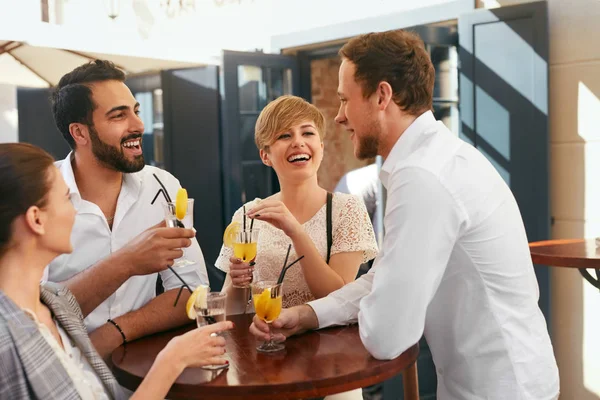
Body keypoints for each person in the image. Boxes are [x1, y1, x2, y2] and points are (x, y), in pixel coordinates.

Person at [250, 30, 560, 400]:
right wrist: (308, 314)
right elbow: (383, 278)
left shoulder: (422, 177)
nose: (339, 116)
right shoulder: (437, 159)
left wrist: (373, 310)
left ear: (382, 96)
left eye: (346, 100)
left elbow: (386, 336)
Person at [0, 143, 231, 400]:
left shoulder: (50, 304)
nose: (76, 210)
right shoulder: (6, 339)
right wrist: (170, 362)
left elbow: (192, 290)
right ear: (36, 219)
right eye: (66, 198)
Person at [45, 60, 209, 359]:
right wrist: (127, 261)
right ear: (80, 133)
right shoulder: (38, 198)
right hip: (62, 376)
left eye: (135, 111)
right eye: (119, 115)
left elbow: (194, 290)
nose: (138, 126)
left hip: (141, 372)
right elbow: (29, 313)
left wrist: (116, 330)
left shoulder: (163, 186)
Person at [216, 95, 377, 316]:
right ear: (265, 156)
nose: (298, 142)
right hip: (262, 343)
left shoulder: (347, 210)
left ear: (320, 147)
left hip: (324, 346)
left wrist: (295, 231)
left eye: (307, 133)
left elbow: (339, 298)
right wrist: (237, 283)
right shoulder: (247, 216)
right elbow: (232, 310)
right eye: (284, 135)